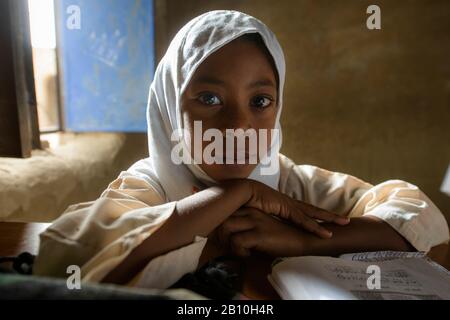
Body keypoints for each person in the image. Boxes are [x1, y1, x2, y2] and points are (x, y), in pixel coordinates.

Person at [34, 10, 449, 290]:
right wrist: (234, 195)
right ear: (169, 108)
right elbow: (70, 258)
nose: (237, 126)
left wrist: (301, 241)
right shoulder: (151, 184)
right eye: (210, 99)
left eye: (260, 102)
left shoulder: (293, 185)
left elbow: (414, 216)